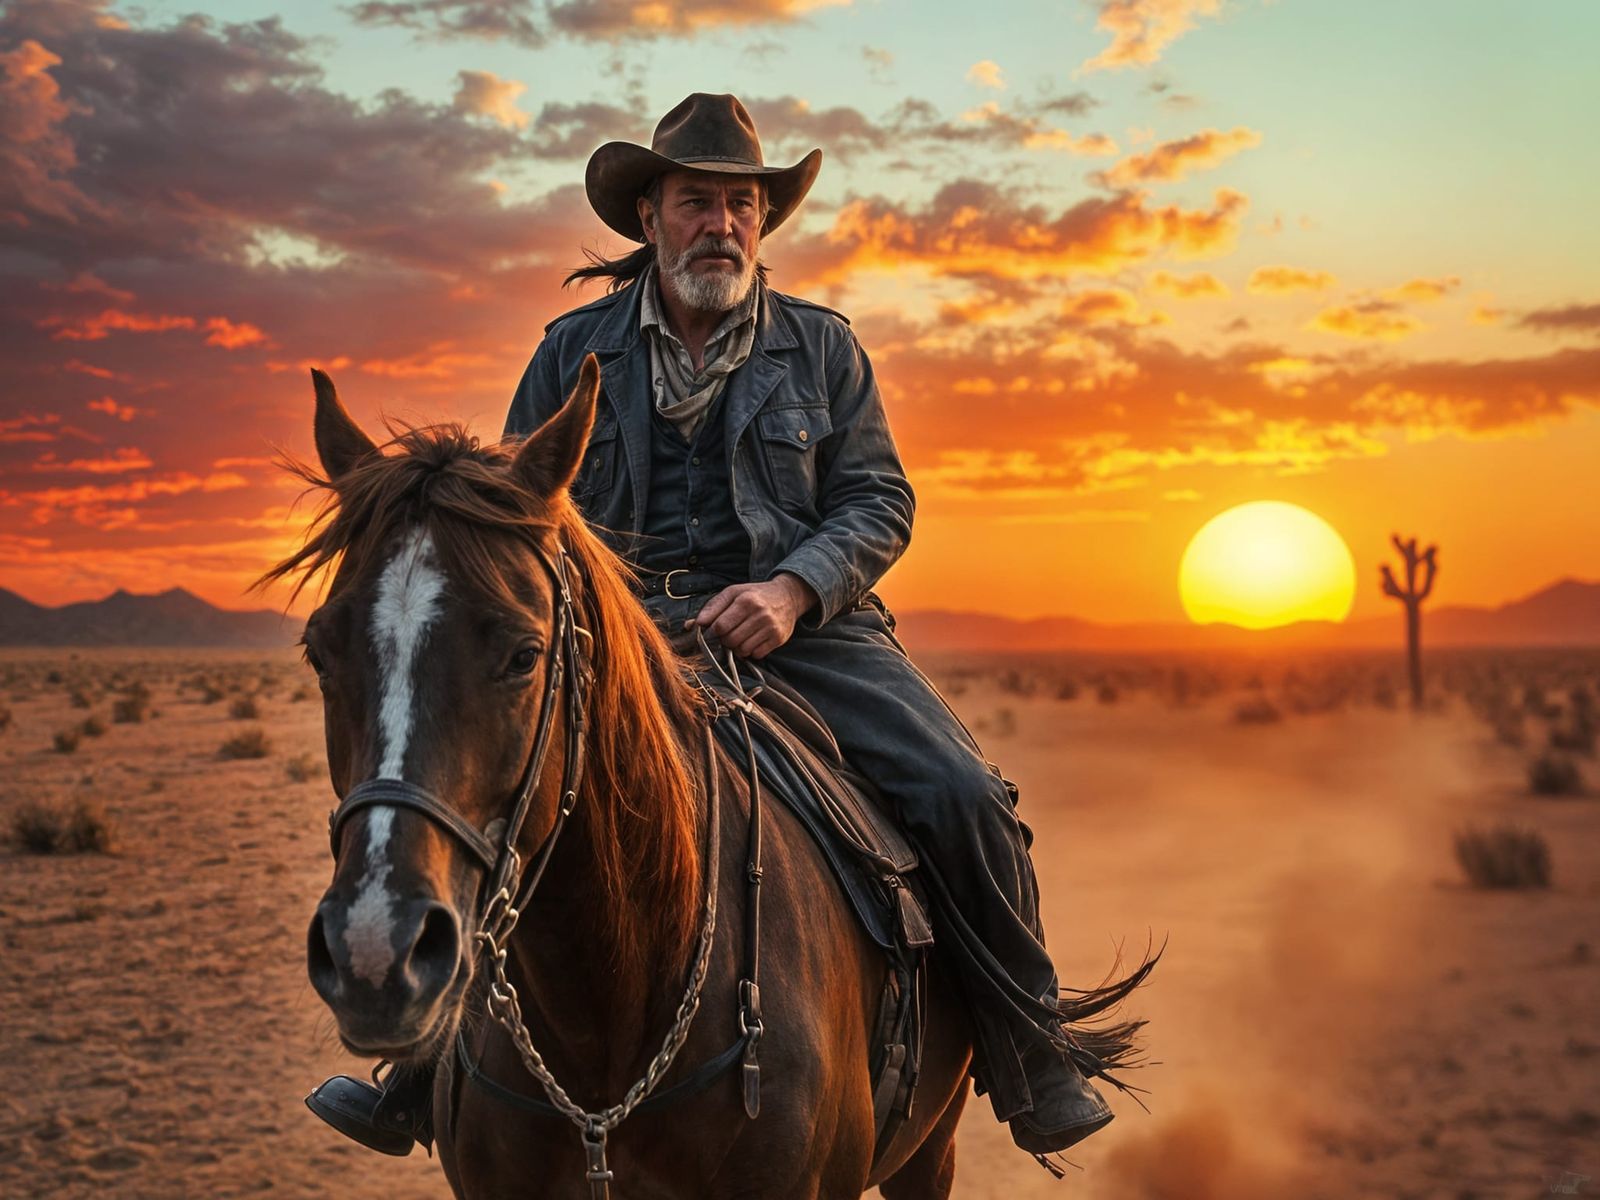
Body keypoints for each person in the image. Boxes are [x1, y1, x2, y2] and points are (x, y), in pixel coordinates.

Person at [308, 92, 1118, 1163]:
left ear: (763, 222)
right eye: (698, 202)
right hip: (623, 634)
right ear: (650, 216)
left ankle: (1028, 1054)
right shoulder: (572, 351)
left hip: (810, 632)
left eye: (742, 204)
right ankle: (419, 1065)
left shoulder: (821, 351)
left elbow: (879, 501)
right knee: (502, 797)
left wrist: (789, 591)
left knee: (964, 795)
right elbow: (515, 513)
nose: (722, 225)